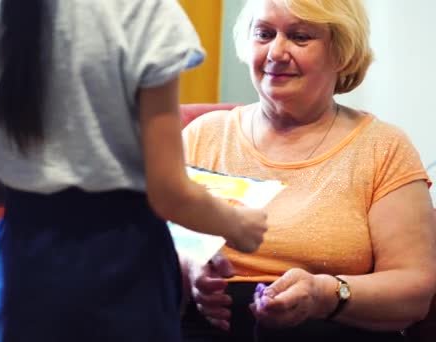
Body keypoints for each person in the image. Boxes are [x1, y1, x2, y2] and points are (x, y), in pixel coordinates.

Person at [0, 0, 268, 341]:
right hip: (121, 262)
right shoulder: (143, 10)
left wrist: (47, 188)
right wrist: (239, 225)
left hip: (23, 267)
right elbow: (168, 193)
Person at [179, 0, 436, 341]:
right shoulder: (201, 135)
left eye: (299, 37)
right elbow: (142, 247)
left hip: (332, 328)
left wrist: (323, 295)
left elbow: (414, 292)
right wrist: (187, 270)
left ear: (341, 52)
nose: (275, 52)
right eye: (264, 34)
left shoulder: (383, 147)